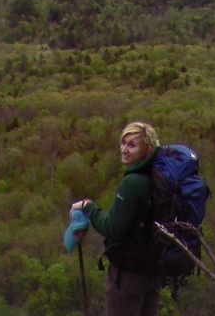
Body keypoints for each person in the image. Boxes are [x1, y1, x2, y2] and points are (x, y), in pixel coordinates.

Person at [70, 122, 163, 316]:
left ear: (146, 149)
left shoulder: (132, 183)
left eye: (131, 145)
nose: (124, 149)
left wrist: (89, 206)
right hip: (152, 272)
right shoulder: (158, 176)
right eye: (123, 143)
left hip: (128, 275)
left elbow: (112, 228)